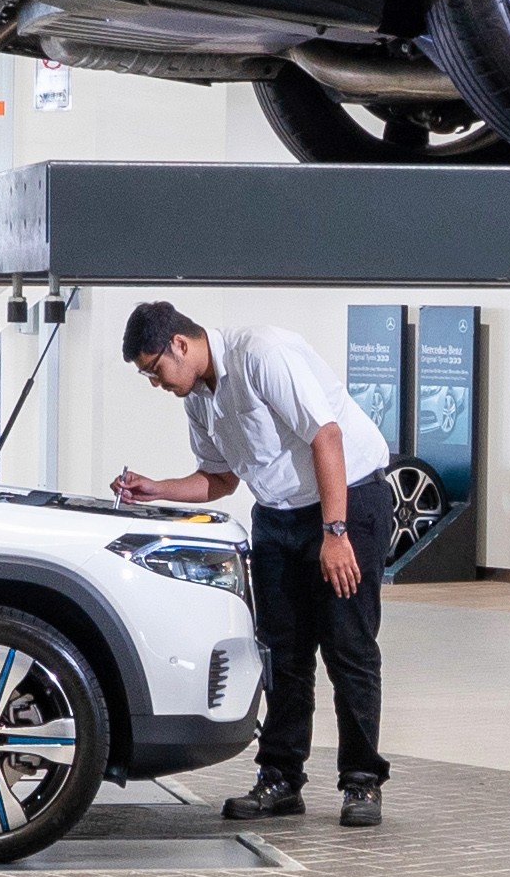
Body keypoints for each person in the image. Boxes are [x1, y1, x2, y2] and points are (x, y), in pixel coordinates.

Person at [111, 301, 384, 824]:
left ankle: (362, 782)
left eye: (154, 370)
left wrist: (335, 532)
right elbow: (219, 480)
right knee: (283, 653)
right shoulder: (198, 399)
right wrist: (154, 489)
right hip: (277, 516)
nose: (155, 382)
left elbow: (327, 436)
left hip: (347, 501)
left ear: (180, 345)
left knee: (348, 646)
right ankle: (281, 779)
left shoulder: (262, 353)